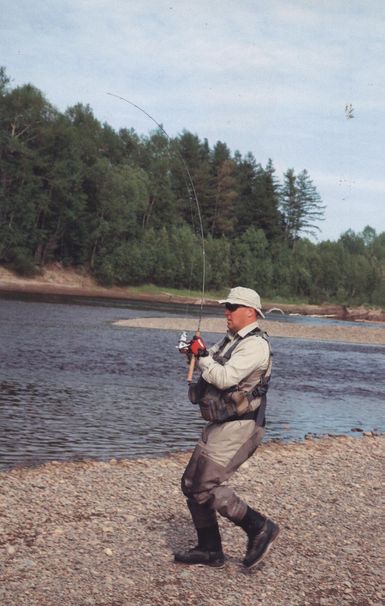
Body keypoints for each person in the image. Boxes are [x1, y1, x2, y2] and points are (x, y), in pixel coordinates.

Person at [175, 286, 279, 569]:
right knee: (190, 484)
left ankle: (259, 527)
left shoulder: (255, 345)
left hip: (241, 427)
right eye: (227, 306)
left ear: (249, 312)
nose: (226, 312)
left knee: (204, 487)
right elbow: (212, 366)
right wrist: (195, 355)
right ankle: (209, 550)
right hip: (221, 423)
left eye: (232, 307)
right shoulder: (232, 340)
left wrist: (204, 356)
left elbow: (224, 378)